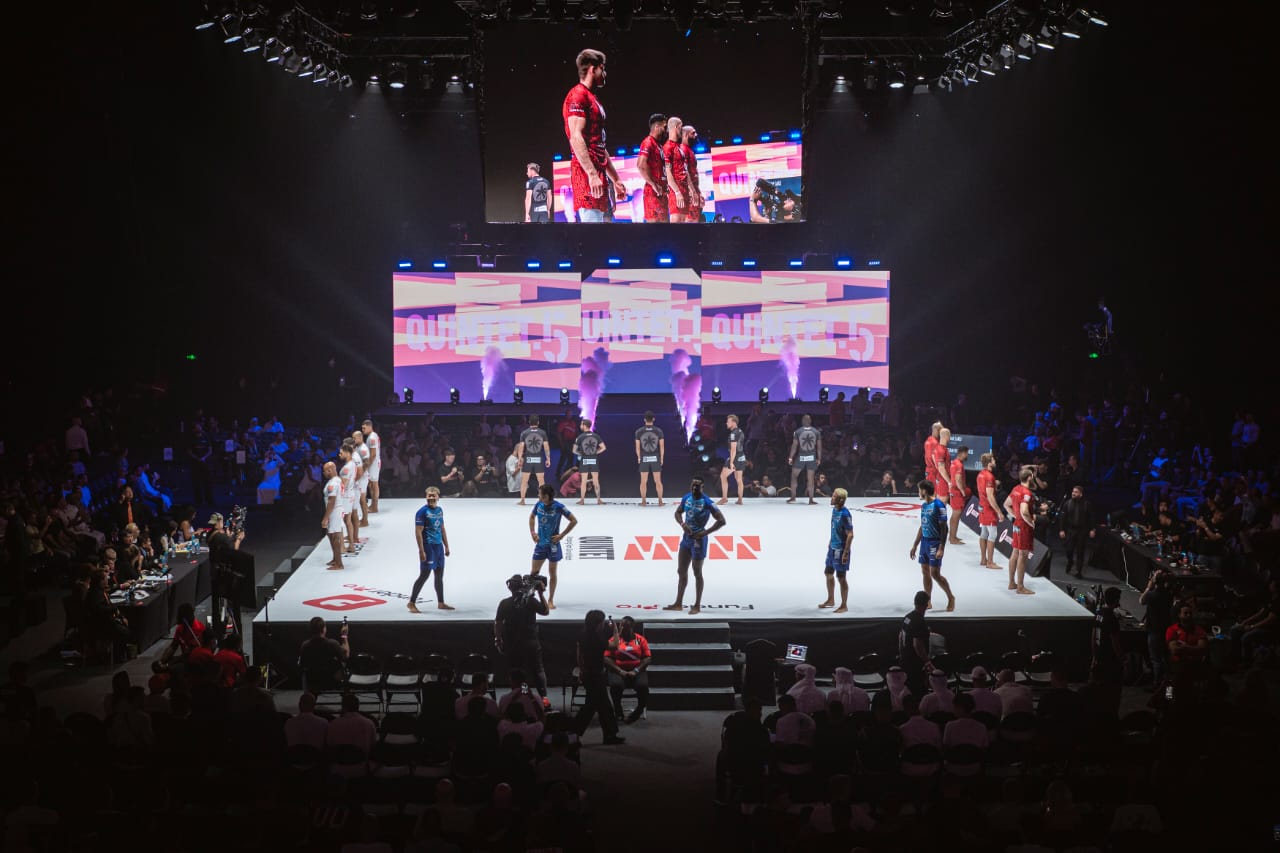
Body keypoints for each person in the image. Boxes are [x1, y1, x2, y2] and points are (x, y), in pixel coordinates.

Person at [562, 48, 625, 222]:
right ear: (592, 69)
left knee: (601, 231)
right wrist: (591, 174)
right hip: (586, 174)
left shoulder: (592, 98)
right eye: (602, 69)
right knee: (592, 231)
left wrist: (616, 179)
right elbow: (575, 137)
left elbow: (599, 146)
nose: (604, 74)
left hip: (598, 173)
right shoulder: (577, 95)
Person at [665, 477, 727, 615]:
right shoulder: (686, 497)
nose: (694, 488)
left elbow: (722, 520)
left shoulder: (708, 502)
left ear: (702, 487)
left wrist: (705, 532)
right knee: (681, 571)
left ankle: (697, 605)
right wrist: (682, 524)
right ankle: (678, 603)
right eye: (693, 485)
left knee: (697, 572)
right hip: (686, 539)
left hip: (699, 540)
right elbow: (677, 512)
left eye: (697, 486)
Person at [573, 610, 625, 744]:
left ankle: (609, 734)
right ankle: (573, 734)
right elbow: (615, 646)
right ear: (597, 623)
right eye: (602, 622)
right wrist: (615, 631)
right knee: (593, 707)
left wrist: (582, 670)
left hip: (588, 674)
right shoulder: (597, 639)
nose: (603, 624)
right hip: (596, 676)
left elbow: (579, 655)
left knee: (601, 706)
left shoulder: (583, 635)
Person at [494, 574, 550, 697]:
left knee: (518, 672)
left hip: (512, 644)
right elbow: (546, 611)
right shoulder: (530, 601)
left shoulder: (504, 603)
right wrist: (540, 593)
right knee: (538, 670)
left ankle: (522, 696)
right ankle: (543, 698)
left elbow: (498, 623)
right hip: (531, 642)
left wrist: (498, 640)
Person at [908, 481, 956, 612]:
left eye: (919, 489)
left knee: (935, 574)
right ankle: (927, 600)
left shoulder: (939, 505)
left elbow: (944, 528)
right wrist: (915, 545)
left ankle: (951, 597)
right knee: (925, 571)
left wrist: (941, 548)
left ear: (924, 490)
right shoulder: (924, 506)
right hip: (924, 542)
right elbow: (922, 525)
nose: (918, 492)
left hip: (935, 543)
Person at [529, 484, 576, 610]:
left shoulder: (559, 507)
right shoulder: (538, 504)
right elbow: (532, 517)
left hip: (553, 546)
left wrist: (561, 535)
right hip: (540, 545)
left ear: (546, 496)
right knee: (533, 573)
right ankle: (530, 597)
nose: (538, 496)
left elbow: (573, 520)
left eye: (539, 494)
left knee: (552, 573)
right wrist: (533, 533)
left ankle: (550, 599)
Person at [411, 487, 454, 613]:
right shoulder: (422, 512)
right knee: (424, 575)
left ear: (438, 497)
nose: (431, 498)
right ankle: (411, 602)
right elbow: (418, 532)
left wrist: (446, 546)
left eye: (433, 495)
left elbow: (442, 528)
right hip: (428, 547)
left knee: (439, 575)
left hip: (438, 547)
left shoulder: (440, 510)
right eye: (429, 495)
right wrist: (421, 550)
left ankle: (441, 602)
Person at [207, 512, 249, 636]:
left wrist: (228, 536)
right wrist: (239, 539)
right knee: (232, 602)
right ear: (219, 523)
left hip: (214, 572)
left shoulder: (211, 535)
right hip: (225, 574)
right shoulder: (221, 537)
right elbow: (233, 551)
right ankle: (236, 631)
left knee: (216, 603)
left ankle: (217, 630)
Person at [606, 616, 651, 724]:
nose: (622, 629)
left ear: (631, 627)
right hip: (618, 670)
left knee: (643, 687)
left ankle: (638, 712)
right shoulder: (613, 640)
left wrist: (636, 671)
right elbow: (607, 658)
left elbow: (648, 658)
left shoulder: (640, 640)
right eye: (621, 626)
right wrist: (619, 671)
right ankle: (618, 712)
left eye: (625, 626)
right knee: (616, 686)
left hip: (636, 670)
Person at [1003, 465, 1039, 595]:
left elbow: (1006, 504)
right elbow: (1024, 511)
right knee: (1022, 556)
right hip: (1024, 526)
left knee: (1015, 553)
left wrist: (1015, 515)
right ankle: (1020, 587)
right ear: (1029, 478)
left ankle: (1012, 583)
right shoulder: (1026, 493)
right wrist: (1030, 522)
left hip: (1016, 524)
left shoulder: (1015, 489)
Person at [819, 488, 854, 613]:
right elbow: (834, 528)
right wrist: (830, 541)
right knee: (828, 573)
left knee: (841, 577)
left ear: (840, 500)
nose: (831, 498)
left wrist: (846, 552)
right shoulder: (834, 510)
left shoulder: (845, 514)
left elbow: (850, 534)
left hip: (840, 549)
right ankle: (831, 599)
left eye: (834, 496)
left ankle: (844, 605)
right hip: (832, 548)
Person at [1092, 587, 1124, 713]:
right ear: (1116, 600)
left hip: (1099, 657)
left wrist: (1094, 656)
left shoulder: (1099, 614)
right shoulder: (1112, 618)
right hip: (1110, 660)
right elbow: (1115, 642)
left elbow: (1093, 636)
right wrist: (1122, 658)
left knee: (1099, 688)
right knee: (1112, 692)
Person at [1140, 570, 1174, 687]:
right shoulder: (1168, 594)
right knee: (1166, 657)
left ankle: (1157, 684)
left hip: (1154, 630)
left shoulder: (1151, 595)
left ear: (1155, 582)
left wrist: (1148, 587)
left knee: (1156, 659)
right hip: (1166, 629)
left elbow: (1141, 601)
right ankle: (1167, 684)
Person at [299, 616, 349, 694]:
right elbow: (346, 657)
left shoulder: (305, 646)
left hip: (313, 680)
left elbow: (302, 665)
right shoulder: (333, 644)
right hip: (332, 679)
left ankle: (308, 695)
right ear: (324, 629)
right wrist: (344, 636)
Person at [1057, 484, 1096, 578]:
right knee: (1069, 550)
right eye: (1073, 491)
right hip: (1071, 530)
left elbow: (1091, 518)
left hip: (1082, 531)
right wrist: (1061, 529)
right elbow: (1062, 518)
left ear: (1081, 494)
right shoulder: (1067, 503)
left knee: (1080, 551)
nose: (1073, 493)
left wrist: (1092, 529)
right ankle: (1070, 561)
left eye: (1076, 492)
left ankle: (1079, 571)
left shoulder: (1086, 504)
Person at [636, 113, 670, 222]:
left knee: (665, 229)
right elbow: (640, 165)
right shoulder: (648, 142)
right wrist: (653, 184)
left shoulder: (658, 145)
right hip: (653, 194)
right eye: (665, 127)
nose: (666, 130)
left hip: (661, 194)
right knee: (655, 229)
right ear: (656, 126)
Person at [898, 590, 932, 696]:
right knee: (917, 692)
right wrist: (927, 662)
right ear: (926, 605)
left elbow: (900, 636)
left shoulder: (907, 617)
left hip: (905, 660)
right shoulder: (919, 621)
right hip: (915, 664)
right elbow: (917, 644)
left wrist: (902, 654)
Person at [976, 452, 1004, 571]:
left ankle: (983, 559)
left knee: (984, 533)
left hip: (981, 506)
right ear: (989, 463)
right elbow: (990, 496)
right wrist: (999, 512)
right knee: (992, 535)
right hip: (988, 508)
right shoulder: (989, 477)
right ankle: (990, 562)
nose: (995, 462)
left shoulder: (981, 474)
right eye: (993, 460)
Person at [1165, 603, 1208, 679]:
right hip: (1178, 666)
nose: (1189, 615)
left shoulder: (1199, 630)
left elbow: (1202, 649)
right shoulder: (1172, 629)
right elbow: (1174, 650)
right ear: (1179, 615)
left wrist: (1185, 647)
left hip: (1195, 665)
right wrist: (1194, 648)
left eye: (1190, 613)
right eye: (1185, 613)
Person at [515, 415, 551, 505]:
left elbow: (521, 446)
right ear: (538, 422)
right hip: (539, 458)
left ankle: (522, 500)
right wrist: (548, 458)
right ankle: (542, 500)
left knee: (524, 480)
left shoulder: (524, 432)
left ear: (529, 422)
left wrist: (520, 458)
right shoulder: (542, 432)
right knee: (541, 481)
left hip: (528, 458)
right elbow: (546, 446)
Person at [787, 414, 822, 504]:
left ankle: (793, 497)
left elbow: (794, 446)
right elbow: (819, 447)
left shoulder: (798, 431)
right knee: (810, 479)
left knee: (794, 476)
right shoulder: (816, 432)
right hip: (811, 457)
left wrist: (791, 457)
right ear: (810, 421)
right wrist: (819, 458)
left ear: (802, 421)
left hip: (801, 457)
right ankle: (811, 500)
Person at [571, 419, 606, 505]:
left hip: (584, 460)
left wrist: (581, 453)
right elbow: (603, 447)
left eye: (581, 424)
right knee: (596, 480)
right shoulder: (596, 436)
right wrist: (595, 452)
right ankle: (599, 500)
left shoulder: (580, 437)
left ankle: (582, 500)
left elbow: (574, 450)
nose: (580, 426)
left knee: (583, 481)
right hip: (594, 459)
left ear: (584, 425)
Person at [635, 411, 666, 505]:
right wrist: (661, 458)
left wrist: (639, 457)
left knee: (643, 481)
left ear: (644, 419)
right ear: (653, 419)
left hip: (644, 457)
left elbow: (637, 447)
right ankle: (660, 501)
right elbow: (662, 447)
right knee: (658, 481)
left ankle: (643, 501)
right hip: (655, 457)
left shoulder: (639, 431)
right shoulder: (659, 431)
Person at [320, 461, 345, 570]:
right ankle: (335, 559)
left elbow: (331, 501)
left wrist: (325, 518)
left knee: (335, 536)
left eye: (324, 471)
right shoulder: (337, 480)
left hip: (334, 511)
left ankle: (339, 563)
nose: (323, 473)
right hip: (335, 510)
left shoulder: (333, 484)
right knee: (331, 535)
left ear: (329, 470)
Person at [718, 414, 747, 505]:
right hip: (741, 456)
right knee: (739, 479)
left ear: (734, 422)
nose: (726, 423)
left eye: (728, 422)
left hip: (735, 457)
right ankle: (740, 500)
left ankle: (724, 498)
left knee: (723, 476)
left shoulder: (733, 434)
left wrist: (731, 462)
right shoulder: (740, 431)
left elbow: (733, 449)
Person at [662, 116, 687, 221]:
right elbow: (668, 173)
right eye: (681, 127)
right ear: (676, 127)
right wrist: (677, 192)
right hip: (676, 192)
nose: (682, 130)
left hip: (684, 190)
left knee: (685, 224)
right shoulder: (667, 148)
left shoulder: (678, 147)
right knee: (677, 222)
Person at [679, 124, 703, 222]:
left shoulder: (690, 151)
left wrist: (698, 192)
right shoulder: (683, 149)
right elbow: (684, 172)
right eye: (693, 133)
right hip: (688, 193)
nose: (696, 135)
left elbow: (693, 173)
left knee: (695, 221)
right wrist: (692, 191)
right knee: (690, 223)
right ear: (685, 135)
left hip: (694, 190)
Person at [947, 445, 969, 545]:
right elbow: (958, 479)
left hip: (953, 492)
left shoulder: (954, 462)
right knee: (956, 514)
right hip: (957, 492)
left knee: (955, 515)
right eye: (967, 453)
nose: (967, 455)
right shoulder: (959, 465)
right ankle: (952, 538)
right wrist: (963, 491)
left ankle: (952, 536)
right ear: (962, 453)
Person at [361, 419, 382, 514]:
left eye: (364, 428)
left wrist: (366, 466)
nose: (362, 430)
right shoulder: (371, 436)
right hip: (372, 463)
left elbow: (373, 454)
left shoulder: (372, 437)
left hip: (373, 463)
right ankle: (373, 505)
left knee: (374, 484)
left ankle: (375, 507)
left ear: (370, 427)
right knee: (370, 484)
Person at [930, 427, 953, 511]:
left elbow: (934, 459)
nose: (950, 437)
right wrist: (949, 482)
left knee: (939, 505)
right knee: (942, 506)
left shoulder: (938, 448)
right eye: (949, 435)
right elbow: (940, 467)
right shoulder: (941, 450)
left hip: (940, 479)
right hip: (943, 481)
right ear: (946, 436)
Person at [923, 420, 942, 490]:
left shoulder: (928, 440)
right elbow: (931, 458)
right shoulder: (934, 443)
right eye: (940, 430)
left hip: (929, 470)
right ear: (935, 430)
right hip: (933, 472)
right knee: (934, 491)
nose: (941, 433)